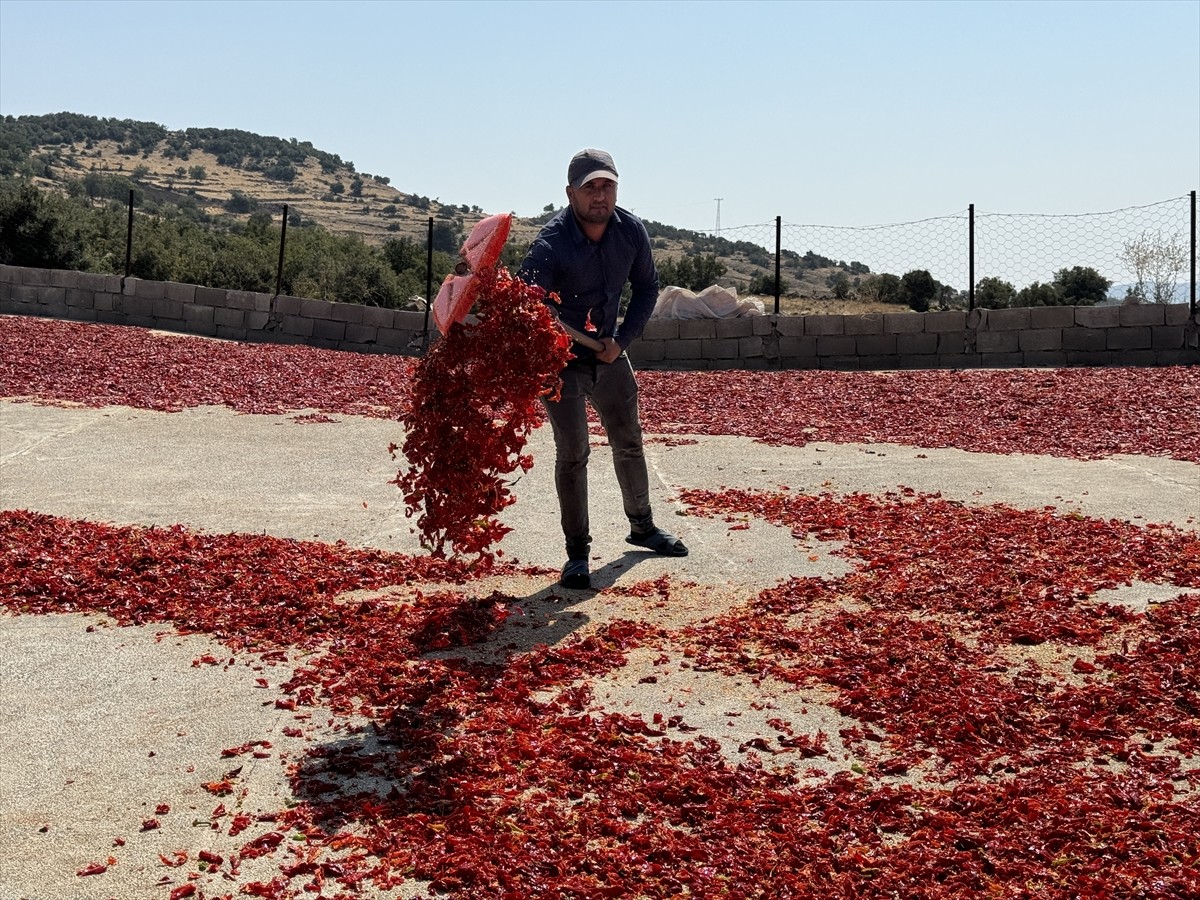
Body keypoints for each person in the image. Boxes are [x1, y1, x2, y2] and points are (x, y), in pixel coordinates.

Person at [519, 148, 688, 590]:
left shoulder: (630, 231)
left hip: (610, 352)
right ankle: (577, 553)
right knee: (574, 453)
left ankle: (643, 527)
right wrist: (548, 324)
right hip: (560, 361)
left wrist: (621, 341)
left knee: (628, 441)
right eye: (590, 187)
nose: (600, 195)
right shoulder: (550, 244)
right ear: (570, 193)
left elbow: (647, 286)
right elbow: (528, 303)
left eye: (607, 185)